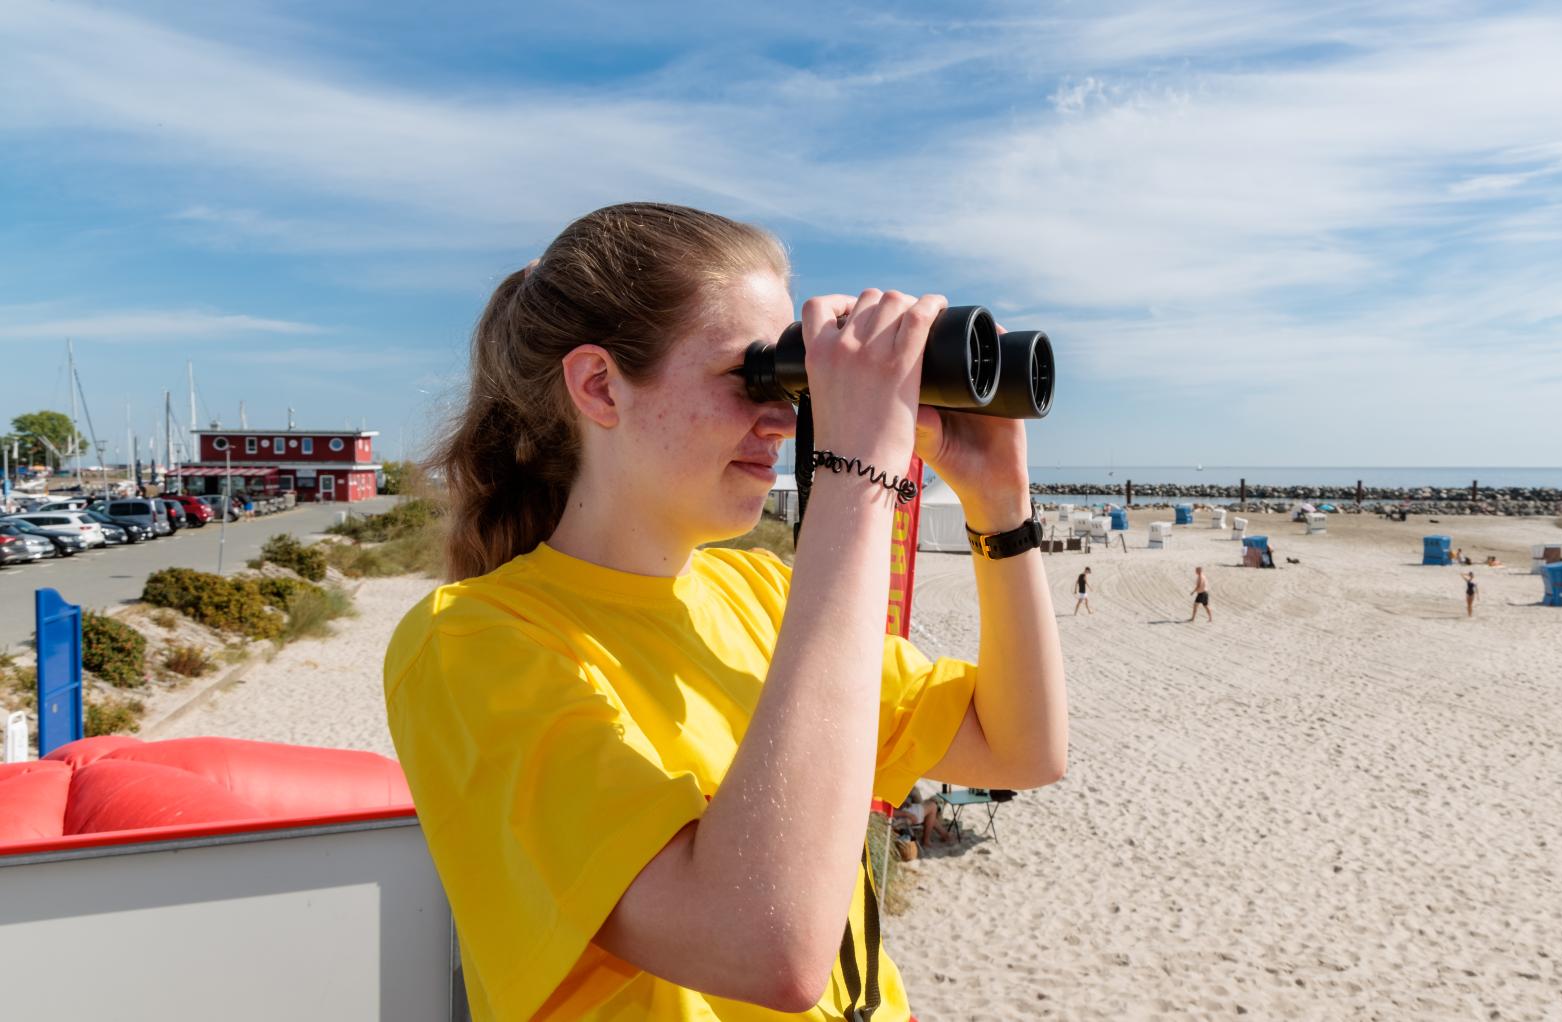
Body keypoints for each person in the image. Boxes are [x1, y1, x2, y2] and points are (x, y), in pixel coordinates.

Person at [382, 204, 1068, 1020]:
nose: (783, 417)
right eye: (752, 377)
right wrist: (856, 475)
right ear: (600, 386)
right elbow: (767, 947)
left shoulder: (762, 593)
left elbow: (1020, 748)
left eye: (792, 379)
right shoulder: (472, 642)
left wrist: (1002, 509)